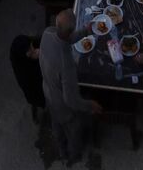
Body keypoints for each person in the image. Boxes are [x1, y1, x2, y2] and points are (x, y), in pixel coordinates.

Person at [38, 9, 102, 161]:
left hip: (47, 91)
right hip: (62, 105)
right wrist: (90, 105)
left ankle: (60, 148)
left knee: (56, 125)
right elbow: (71, 100)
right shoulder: (66, 64)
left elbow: (64, 38)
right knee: (74, 131)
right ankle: (73, 155)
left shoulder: (48, 33)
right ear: (70, 30)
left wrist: (85, 31)